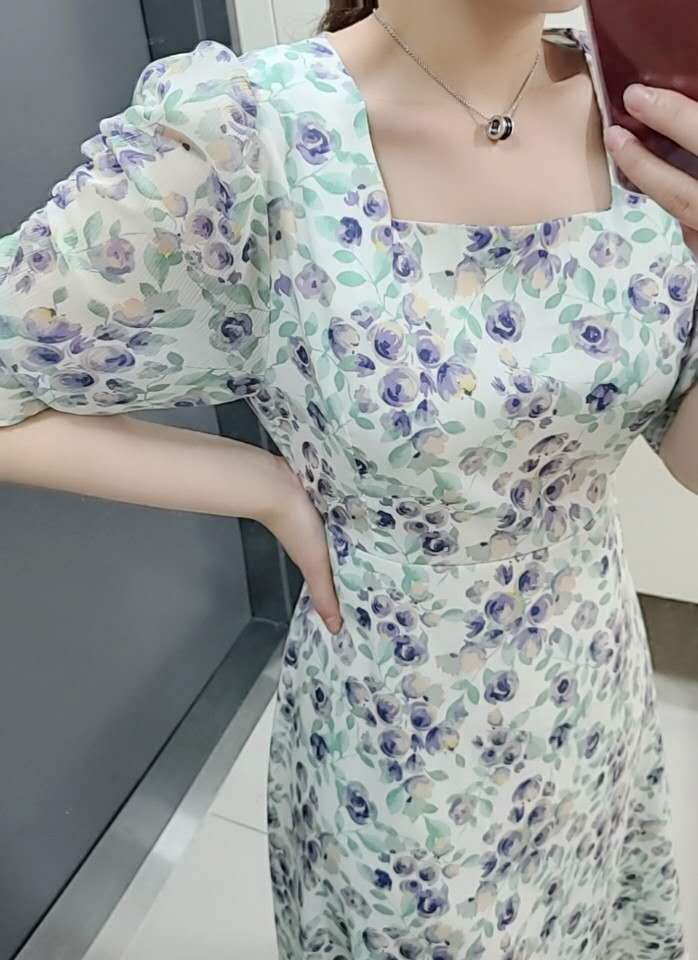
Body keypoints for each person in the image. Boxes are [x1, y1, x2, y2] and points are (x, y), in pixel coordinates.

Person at [0, 0, 696, 956]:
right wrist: (261, 487)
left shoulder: (644, 110)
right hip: (405, 743)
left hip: (593, 683)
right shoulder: (248, 138)